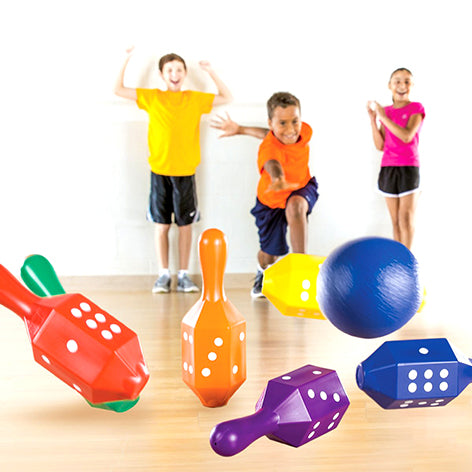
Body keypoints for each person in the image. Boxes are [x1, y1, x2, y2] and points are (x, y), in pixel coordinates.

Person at [114, 48, 232, 293]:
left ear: (185, 73)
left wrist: (210, 71)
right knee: (162, 226)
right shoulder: (153, 97)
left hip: (186, 173)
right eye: (169, 70)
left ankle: (184, 275)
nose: (175, 74)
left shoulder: (194, 99)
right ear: (161, 74)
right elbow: (118, 89)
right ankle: (164, 274)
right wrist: (126, 59)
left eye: (179, 69)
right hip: (159, 172)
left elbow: (226, 96)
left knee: (185, 226)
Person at [211, 92, 319, 298]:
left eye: (294, 121)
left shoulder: (304, 131)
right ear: (271, 123)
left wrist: (241, 129)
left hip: (300, 188)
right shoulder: (268, 148)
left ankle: (301, 269)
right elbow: (272, 162)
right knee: (270, 253)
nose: (291, 129)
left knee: (296, 206)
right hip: (271, 201)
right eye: (283, 123)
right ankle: (262, 271)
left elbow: (269, 133)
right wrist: (278, 178)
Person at [367, 68, 425, 250]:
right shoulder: (386, 112)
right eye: (397, 81)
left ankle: (408, 261)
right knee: (396, 222)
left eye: (407, 81)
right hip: (388, 168)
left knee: (406, 219)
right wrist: (373, 120)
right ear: (390, 86)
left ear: (412, 85)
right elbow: (381, 145)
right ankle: (399, 260)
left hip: (408, 167)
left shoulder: (416, 108)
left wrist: (383, 117)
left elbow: (407, 136)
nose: (402, 85)